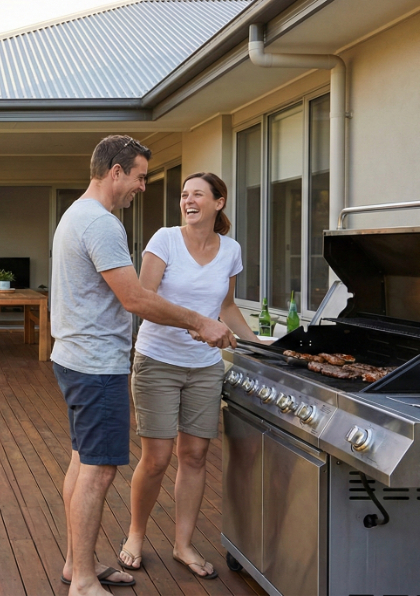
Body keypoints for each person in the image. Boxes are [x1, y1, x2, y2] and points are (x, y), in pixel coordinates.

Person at [52, 136, 235, 595]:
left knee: (82, 462)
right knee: (98, 469)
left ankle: (79, 565)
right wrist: (199, 321)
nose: (142, 186)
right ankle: (84, 582)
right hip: (96, 363)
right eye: (139, 176)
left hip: (77, 358)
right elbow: (135, 298)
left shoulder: (79, 215)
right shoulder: (101, 224)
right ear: (116, 172)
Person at [118, 172, 260, 580]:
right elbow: (143, 301)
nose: (188, 200)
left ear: (219, 202)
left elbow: (228, 307)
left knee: (195, 456)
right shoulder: (164, 240)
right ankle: (135, 535)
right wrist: (197, 325)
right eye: (184, 195)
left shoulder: (230, 249)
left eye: (197, 194)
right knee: (158, 458)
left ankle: (183, 544)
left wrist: (255, 346)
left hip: (204, 367)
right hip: (157, 360)